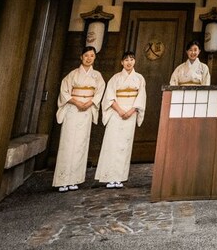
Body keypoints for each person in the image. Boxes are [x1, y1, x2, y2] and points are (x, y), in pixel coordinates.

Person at [53, 46, 103, 192]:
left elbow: (99, 93)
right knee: (67, 143)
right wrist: (77, 102)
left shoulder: (97, 76)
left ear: (95, 58)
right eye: (86, 55)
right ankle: (63, 180)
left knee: (81, 144)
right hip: (72, 109)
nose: (89, 58)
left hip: (86, 110)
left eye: (92, 56)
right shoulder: (72, 75)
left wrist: (88, 103)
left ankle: (74, 179)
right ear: (81, 57)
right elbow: (64, 92)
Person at [95, 51, 147, 188]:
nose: (129, 62)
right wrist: (120, 111)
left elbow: (141, 98)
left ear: (134, 61)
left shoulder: (139, 78)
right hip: (116, 112)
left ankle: (119, 177)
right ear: (122, 63)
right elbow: (109, 97)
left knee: (125, 145)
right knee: (112, 143)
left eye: (131, 59)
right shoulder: (115, 78)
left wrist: (131, 111)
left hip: (131, 112)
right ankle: (109, 177)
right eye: (126, 60)